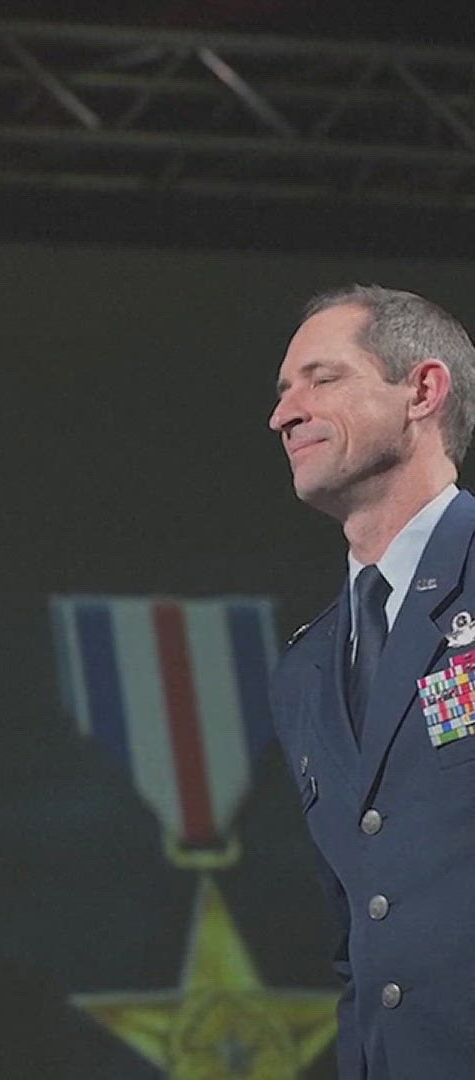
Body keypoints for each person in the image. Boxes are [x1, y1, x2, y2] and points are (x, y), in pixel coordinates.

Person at [267, 285, 475, 1079]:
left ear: (422, 391)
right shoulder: (307, 670)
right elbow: (359, 942)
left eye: (322, 379)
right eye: (283, 393)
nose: (285, 415)